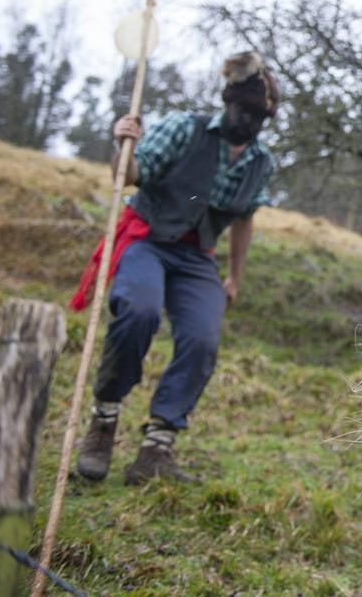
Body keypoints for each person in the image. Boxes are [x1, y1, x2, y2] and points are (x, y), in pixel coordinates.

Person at [73, 50, 279, 484]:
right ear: (227, 103)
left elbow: (245, 219)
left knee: (203, 339)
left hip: (196, 256)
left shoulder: (261, 163)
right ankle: (104, 420)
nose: (247, 123)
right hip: (148, 239)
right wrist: (123, 143)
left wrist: (234, 277)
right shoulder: (185, 129)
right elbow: (128, 175)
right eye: (242, 111)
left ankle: (155, 449)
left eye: (258, 117)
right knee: (138, 311)